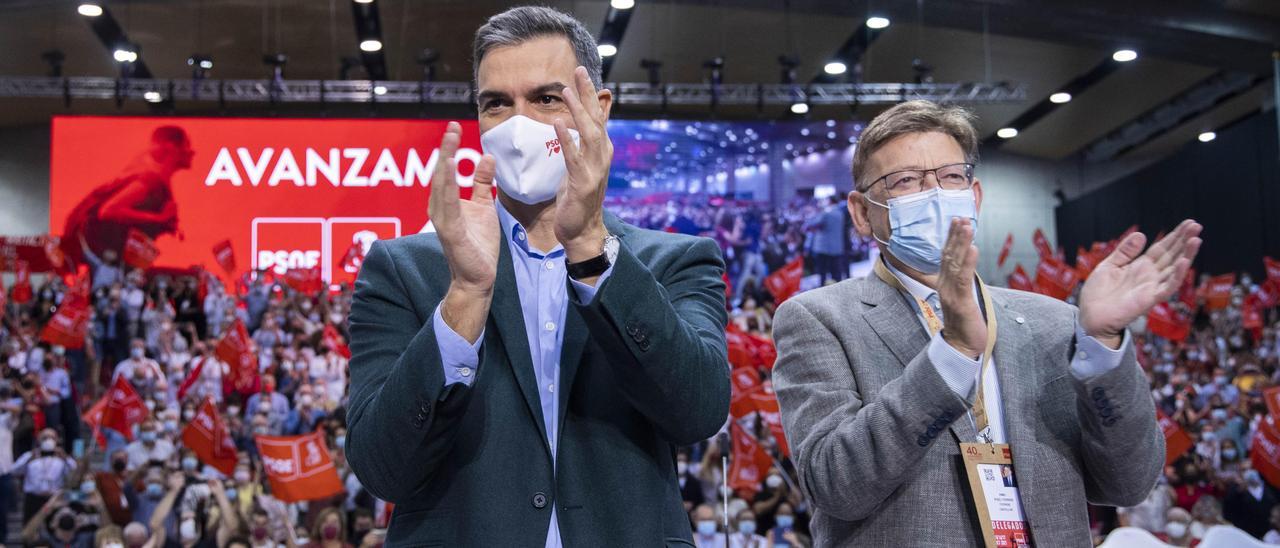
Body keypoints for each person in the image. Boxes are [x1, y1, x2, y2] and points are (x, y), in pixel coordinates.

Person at [345, 6, 729, 546]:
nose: (518, 124)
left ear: (598, 109)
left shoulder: (676, 261)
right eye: (496, 103)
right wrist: (465, 296)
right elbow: (382, 468)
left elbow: (696, 412)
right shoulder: (402, 269)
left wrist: (592, 249)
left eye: (547, 99)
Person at [772, 100, 1203, 546]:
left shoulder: (1054, 321)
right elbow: (836, 485)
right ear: (863, 213)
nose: (935, 194)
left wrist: (1103, 342)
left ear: (974, 196)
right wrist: (951, 353)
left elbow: (1128, 484)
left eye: (951, 177)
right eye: (905, 181)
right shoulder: (819, 319)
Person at [61, 125, 193, 266]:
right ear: (170, 147)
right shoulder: (150, 180)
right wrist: (158, 219)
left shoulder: (159, 181)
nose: (192, 152)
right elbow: (108, 210)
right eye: (186, 145)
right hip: (103, 256)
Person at [12, 428, 76, 521]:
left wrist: (65, 458)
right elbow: (14, 471)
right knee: (30, 529)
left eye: (52, 438)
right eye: (45, 437)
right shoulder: (30, 455)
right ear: (39, 440)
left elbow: (75, 473)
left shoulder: (62, 458)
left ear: (57, 440)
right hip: (33, 499)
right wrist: (29, 459)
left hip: (54, 499)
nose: (48, 440)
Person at [803, 196, 848, 284]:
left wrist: (812, 214)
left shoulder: (826, 213)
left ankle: (823, 291)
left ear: (830, 201)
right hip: (837, 247)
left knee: (822, 273)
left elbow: (812, 224)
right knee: (836, 272)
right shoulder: (840, 213)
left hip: (824, 248)